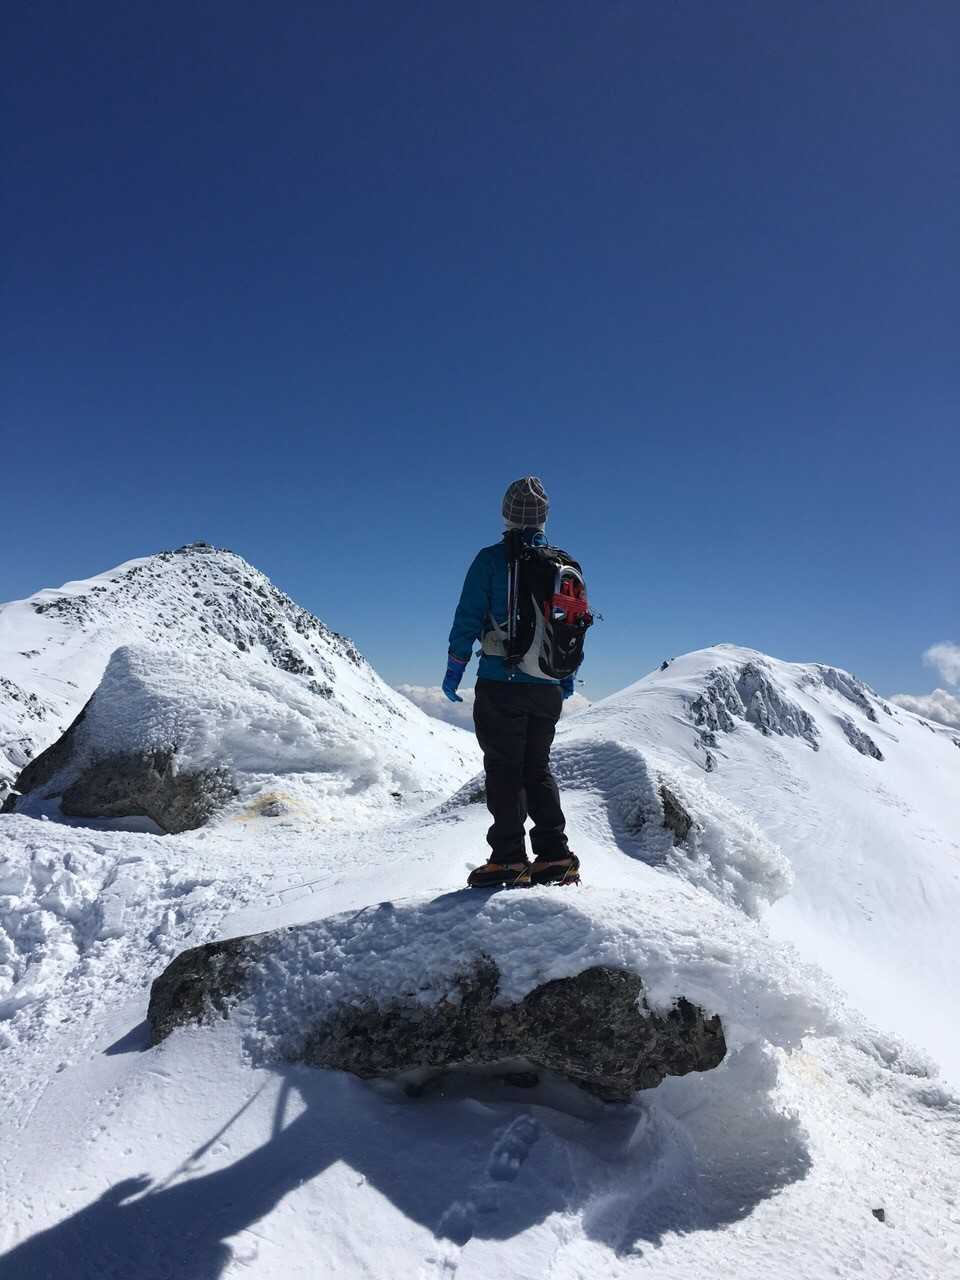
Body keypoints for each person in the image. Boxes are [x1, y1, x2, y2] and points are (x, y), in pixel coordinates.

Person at [443, 476, 580, 889]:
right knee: (537, 769)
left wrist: (455, 669)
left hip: (501, 682)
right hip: (548, 685)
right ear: (544, 517)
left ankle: (508, 859)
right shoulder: (564, 564)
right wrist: (563, 677)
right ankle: (555, 856)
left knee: (504, 769)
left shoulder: (490, 560)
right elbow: (569, 625)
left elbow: (468, 617)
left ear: (505, 515)